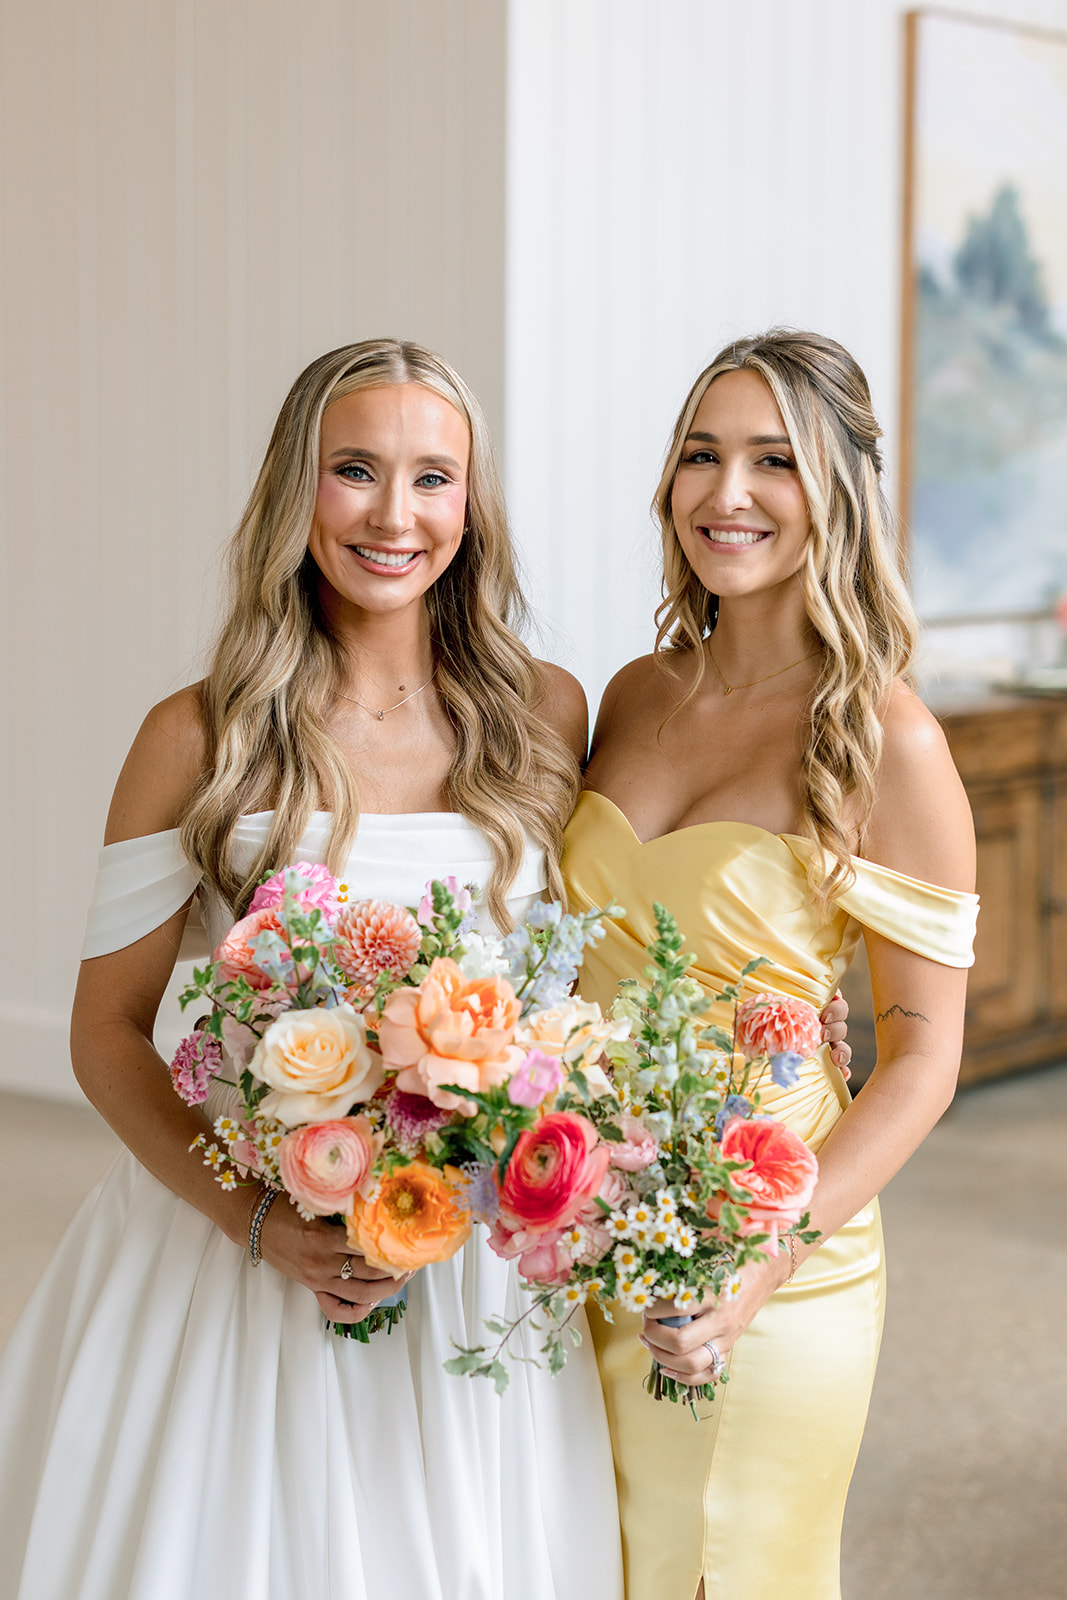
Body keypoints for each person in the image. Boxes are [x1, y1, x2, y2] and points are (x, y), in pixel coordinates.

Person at [0, 339, 624, 1600]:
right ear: (299, 489)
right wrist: (262, 1222)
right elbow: (105, 1030)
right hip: (252, 1242)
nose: (394, 515)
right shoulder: (199, 732)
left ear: (471, 504)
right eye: (355, 470)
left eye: (432, 478)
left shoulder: (546, 714)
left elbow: (566, 995)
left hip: (469, 1266)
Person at [562, 328, 978, 1600]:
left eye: (771, 460)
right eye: (700, 454)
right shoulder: (630, 695)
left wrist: (760, 1261)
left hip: (762, 1252)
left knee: (723, 1570)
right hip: (583, 1225)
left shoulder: (883, 738)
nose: (725, 493)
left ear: (837, 490)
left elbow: (922, 1061)